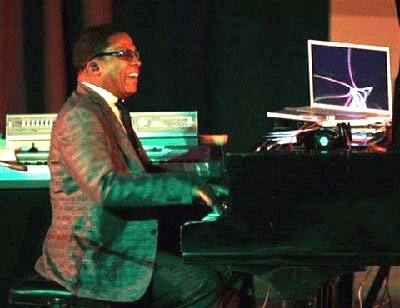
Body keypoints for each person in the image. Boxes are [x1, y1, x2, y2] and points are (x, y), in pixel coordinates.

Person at [35, 24, 253, 307]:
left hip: (120, 244)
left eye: (136, 54)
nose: (137, 61)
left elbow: (142, 174)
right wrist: (186, 187)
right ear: (94, 66)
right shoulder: (81, 116)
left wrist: (207, 185)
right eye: (126, 54)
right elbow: (107, 188)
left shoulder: (113, 110)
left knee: (231, 266)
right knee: (201, 285)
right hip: (94, 255)